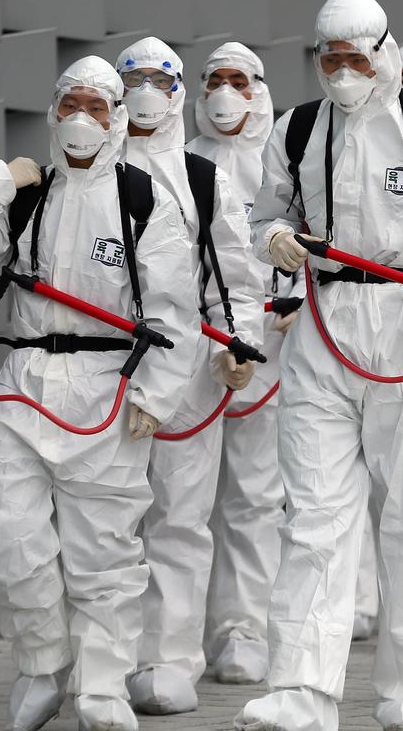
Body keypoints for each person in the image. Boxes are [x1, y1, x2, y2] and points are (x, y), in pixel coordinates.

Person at [235, 0, 403, 731]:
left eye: (356, 57)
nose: (343, 72)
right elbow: (267, 214)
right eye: (331, 58)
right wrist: (275, 242)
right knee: (314, 514)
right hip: (324, 322)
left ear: (384, 51)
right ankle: (301, 689)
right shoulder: (295, 129)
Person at [0, 56, 199, 731]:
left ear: (116, 120)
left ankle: (102, 685)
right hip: (22, 384)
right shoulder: (30, 195)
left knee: (103, 551)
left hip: (106, 388)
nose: (81, 118)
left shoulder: (143, 200)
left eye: (97, 107)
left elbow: (175, 312)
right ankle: (44, 662)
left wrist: (155, 396)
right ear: (53, 113)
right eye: (70, 103)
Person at [115, 36, 265, 715]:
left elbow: (234, 273)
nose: (147, 90)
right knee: (103, 516)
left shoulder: (202, 177)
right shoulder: (85, 167)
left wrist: (242, 343)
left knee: (179, 515)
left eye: (160, 78)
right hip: (101, 368)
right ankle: (103, 654)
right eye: (134, 78)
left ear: (179, 92)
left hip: (188, 372)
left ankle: (170, 658)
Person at [185, 41, 291, 685]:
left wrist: (293, 302)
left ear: (260, 87)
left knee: (256, 496)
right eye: (215, 80)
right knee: (179, 500)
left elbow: (317, 234)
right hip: (195, 347)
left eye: (239, 81)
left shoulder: (283, 159)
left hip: (273, 345)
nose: (227, 93)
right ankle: (176, 637)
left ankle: (245, 628)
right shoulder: (182, 160)